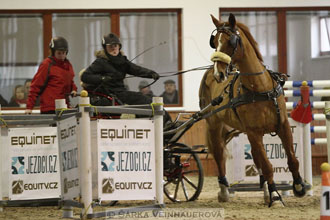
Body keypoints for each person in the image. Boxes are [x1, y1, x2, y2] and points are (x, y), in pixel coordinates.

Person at [81, 33, 172, 125]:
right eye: (110, 46)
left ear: (119, 47)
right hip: (110, 94)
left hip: (121, 93)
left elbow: (136, 69)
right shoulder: (100, 62)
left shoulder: (122, 61)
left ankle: (167, 122)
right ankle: (159, 124)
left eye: (115, 46)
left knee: (148, 99)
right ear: (105, 48)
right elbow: (85, 77)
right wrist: (103, 78)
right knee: (142, 99)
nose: (113, 48)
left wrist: (151, 74)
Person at [26, 36, 77, 114]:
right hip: (50, 108)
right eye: (59, 53)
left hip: (64, 106)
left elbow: (70, 81)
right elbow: (36, 86)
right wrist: (29, 107)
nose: (62, 56)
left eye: (64, 53)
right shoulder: (47, 65)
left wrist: (73, 89)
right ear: (53, 52)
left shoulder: (68, 65)